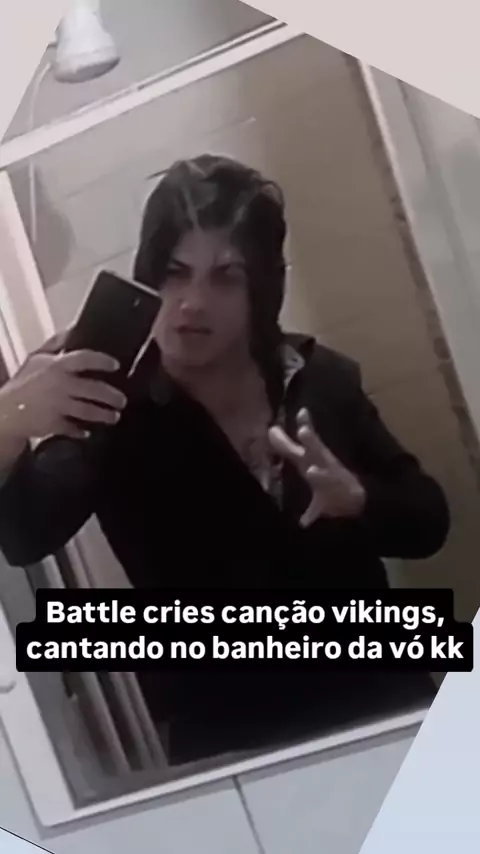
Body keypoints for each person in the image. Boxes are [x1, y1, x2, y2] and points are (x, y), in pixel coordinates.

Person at [0, 155, 450, 763]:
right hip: (238, 748)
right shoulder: (114, 408)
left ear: (262, 287)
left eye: (225, 277)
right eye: (175, 273)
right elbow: (24, 534)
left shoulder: (317, 378)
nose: (192, 302)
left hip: (388, 708)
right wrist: (9, 422)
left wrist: (359, 501)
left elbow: (429, 522)